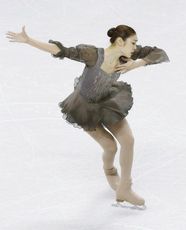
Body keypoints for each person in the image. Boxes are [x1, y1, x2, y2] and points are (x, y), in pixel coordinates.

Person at [6, 24, 169, 209]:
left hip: (107, 102)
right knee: (110, 147)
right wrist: (29, 41)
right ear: (120, 41)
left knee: (128, 140)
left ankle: (124, 188)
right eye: (133, 42)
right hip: (83, 107)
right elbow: (63, 51)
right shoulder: (93, 55)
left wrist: (137, 64)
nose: (135, 46)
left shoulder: (128, 55)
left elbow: (159, 53)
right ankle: (109, 171)